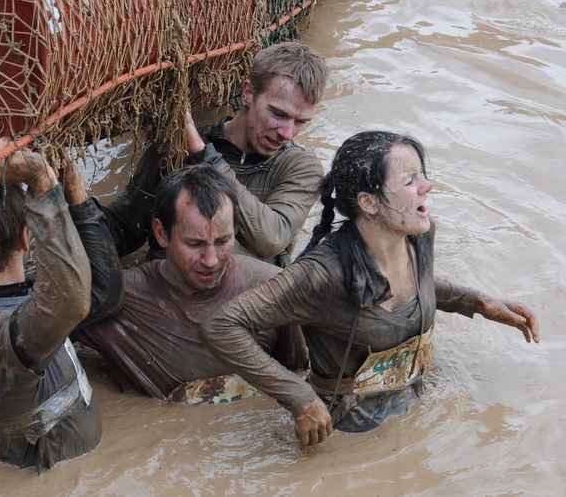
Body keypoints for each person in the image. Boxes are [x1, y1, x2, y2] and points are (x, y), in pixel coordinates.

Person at [199, 131, 540, 448]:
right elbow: (221, 327)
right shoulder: (323, 273)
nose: (428, 186)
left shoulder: (420, 234)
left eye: (422, 175)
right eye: (410, 181)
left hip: (413, 413)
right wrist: (298, 398)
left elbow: (407, 287)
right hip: (344, 439)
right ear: (369, 202)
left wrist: (477, 302)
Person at [0, 138, 122, 472]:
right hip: (55, 477)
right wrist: (42, 184)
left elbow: (99, 292)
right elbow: (69, 301)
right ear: (26, 237)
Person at [74, 163, 308, 401]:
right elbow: (45, 330)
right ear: (161, 234)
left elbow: (300, 375)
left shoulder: (272, 289)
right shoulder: (120, 301)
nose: (211, 260)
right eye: (195, 244)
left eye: (222, 241)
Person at [102, 40, 328, 267]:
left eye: (300, 121)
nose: (287, 132)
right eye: (278, 113)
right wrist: (76, 207)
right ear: (248, 93)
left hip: (251, 295)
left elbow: (270, 239)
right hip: (173, 293)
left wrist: (201, 155)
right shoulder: (180, 147)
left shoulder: (302, 167)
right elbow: (125, 229)